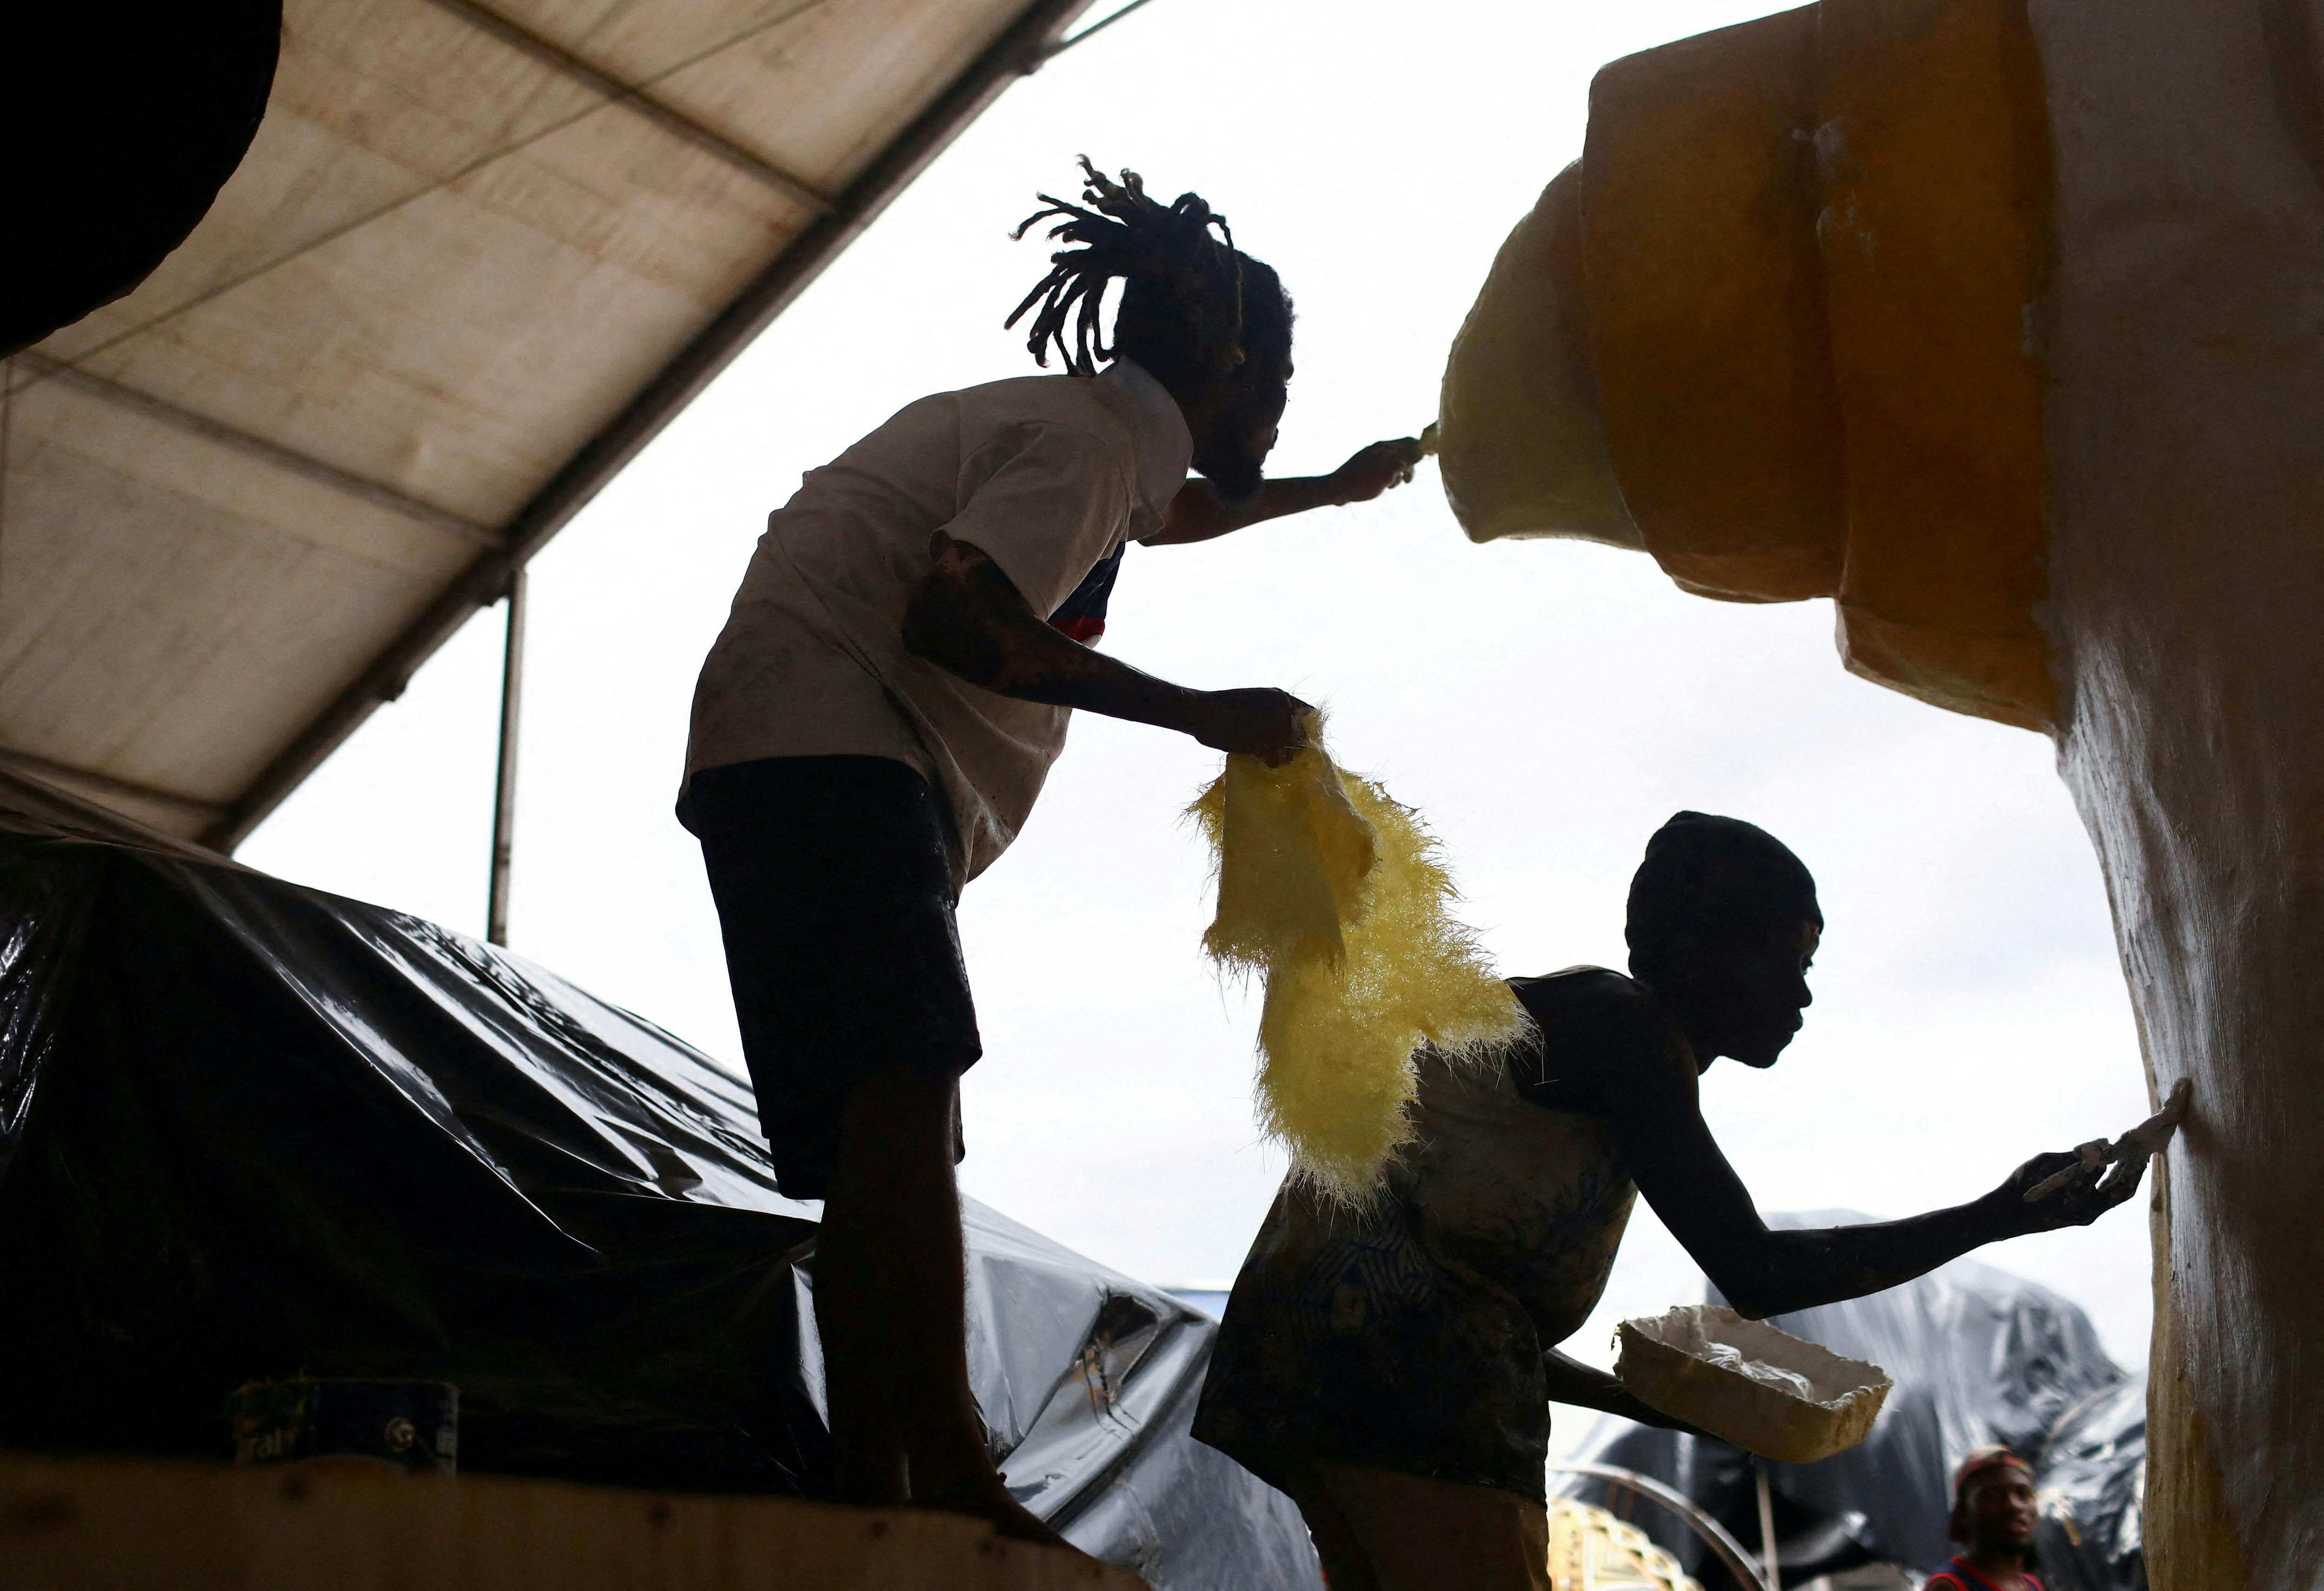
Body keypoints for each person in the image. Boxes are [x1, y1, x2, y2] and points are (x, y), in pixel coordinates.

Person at [676, 158, 1424, 1550]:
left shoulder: (1092, 441)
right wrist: (1205, 712)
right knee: (900, 1108)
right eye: (1277, 378)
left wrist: (1327, 489)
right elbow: (958, 618)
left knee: (881, 1135)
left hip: (778, 755)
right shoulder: (1086, 447)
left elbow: (1170, 512)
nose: (1279, 408)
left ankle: (872, 1490)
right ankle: (951, 1475)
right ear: (1223, 353)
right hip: (837, 751)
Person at [1191, 811, 2146, 1591]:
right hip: (1392, 1396)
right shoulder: (1622, 1028)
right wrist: (2002, 1211)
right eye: (1790, 954)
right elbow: (1753, 1269)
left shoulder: (1606, 1058)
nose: (1804, 993)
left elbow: (1454, 1283)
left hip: (1346, 1380)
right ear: (1704, 946)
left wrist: (1659, 1401)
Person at [1926, 1448, 2045, 1591]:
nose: (2014, 1506)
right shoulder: (1950, 1586)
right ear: (1963, 1513)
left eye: (2023, 1495)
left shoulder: (2033, 1585)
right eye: (1992, 1495)